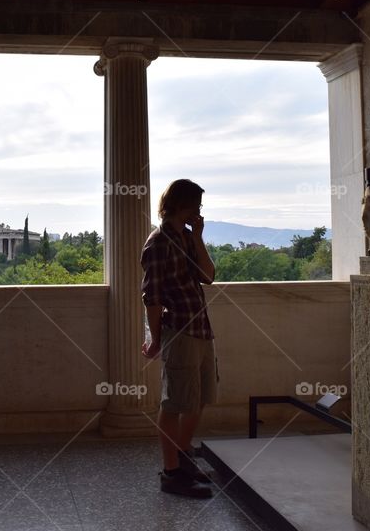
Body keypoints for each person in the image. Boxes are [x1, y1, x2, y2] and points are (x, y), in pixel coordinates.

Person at [140, 178, 218, 498]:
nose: (199, 212)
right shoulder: (157, 244)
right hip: (180, 330)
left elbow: (209, 277)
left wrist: (198, 239)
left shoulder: (186, 238)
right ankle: (171, 471)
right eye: (196, 206)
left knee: (198, 399)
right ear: (181, 205)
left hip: (200, 328)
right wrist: (156, 340)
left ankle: (182, 457)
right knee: (174, 402)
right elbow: (153, 298)